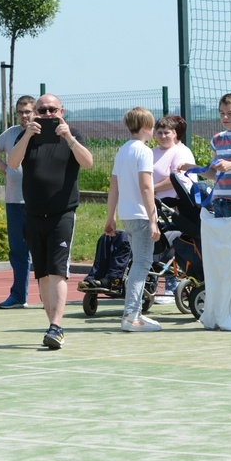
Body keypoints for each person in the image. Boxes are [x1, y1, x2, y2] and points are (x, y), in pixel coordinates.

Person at [7, 93, 93, 349]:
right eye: (41, 111)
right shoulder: (27, 137)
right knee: (42, 274)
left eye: (52, 110)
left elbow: (88, 163)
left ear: (61, 111)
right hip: (33, 214)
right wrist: (27, 136)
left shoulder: (73, 134)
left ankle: (56, 325)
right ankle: (52, 326)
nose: (47, 115)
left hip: (62, 214)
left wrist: (68, 138)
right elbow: (12, 163)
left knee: (57, 271)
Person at [179, 94, 231, 331]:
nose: (225, 118)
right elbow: (215, 175)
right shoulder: (217, 139)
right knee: (221, 262)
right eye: (222, 113)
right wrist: (192, 169)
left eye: (230, 113)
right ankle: (220, 311)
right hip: (220, 205)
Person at [105, 107, 162, 332]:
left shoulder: (123, 150)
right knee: (141, 264)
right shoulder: (144, 151)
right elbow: (146, 186)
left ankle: (134, 312)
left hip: (128, 215)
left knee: (137, 263)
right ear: (147, 127)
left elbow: (114, 185)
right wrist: (153, 219)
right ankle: (131, 315)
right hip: (140, 216)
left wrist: (111, 216)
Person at [0, 95, 34, 309]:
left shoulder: (44, 134)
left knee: (43, 251)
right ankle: (18, 296)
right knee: (18, 251)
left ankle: (48, 295)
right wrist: (4, 168)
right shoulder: (11, 133)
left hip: (39, 202)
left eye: (28, 111)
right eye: (21, 112)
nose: (24, 116)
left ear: (36, 112)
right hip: (14, 201)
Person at [151, 115, 192, 304]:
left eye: (166, 132)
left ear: (174, 134)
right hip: (152, 206)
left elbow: (176, 179)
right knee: (152, 245)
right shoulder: (151, 152)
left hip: (173, 207)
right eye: (159, 132)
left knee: (171, 243)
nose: (163, 136)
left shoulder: (180, 152)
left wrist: (150, 188)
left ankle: (172, 285)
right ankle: (149, 284)